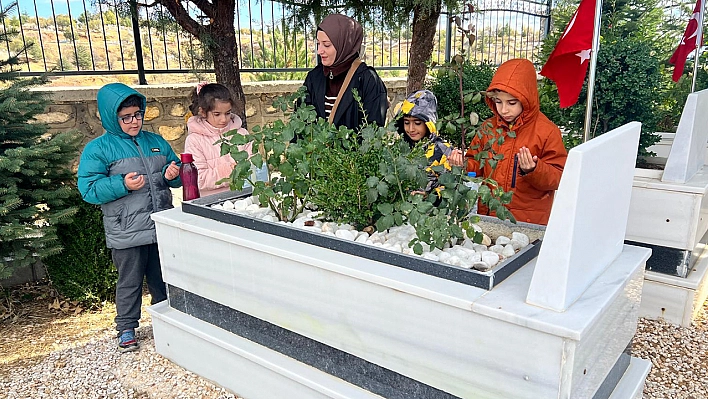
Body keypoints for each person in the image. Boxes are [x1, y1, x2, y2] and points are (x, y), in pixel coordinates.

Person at [77, 83, 182, 353]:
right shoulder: (98, 149)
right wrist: (122, 184)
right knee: (129, 281)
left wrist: (173, 175)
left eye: (138, 115)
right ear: (112, 117)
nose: (134, 121)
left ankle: (171, 322)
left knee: (164, 278)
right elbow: (88, 190)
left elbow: (176, 171)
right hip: (126, 232)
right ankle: (126, 328)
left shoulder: (156, 141)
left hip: (160, 226)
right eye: (126, 117)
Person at [464, 59, 567, 225]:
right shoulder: (488, 127)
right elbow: (476, 164)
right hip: (489, 217)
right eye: (498, 102)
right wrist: (462, 164)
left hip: (527, 224)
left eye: (511, 103)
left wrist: (533, 170)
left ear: (527, 99)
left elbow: (559, 177)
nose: (504, 110)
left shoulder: (546, 131)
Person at [303, 14, 389, 130]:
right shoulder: (314, 77)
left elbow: (372, 133)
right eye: (318, 43)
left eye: (326, 45)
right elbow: (300, 122)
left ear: (344, 45)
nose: (319, 51)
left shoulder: (367, 80)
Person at [185, 82, 265, 196]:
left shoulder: (242, 134)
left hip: (244, 198)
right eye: (217, 114)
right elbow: (198, 179)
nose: (223, 119)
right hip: (212, 203)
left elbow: (256, 167)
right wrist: (229, 171)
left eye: (227, 113)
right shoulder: (194, 140)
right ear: (202, 112)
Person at [398, 90, 464, 194]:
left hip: (431, 209)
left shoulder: (444, 150)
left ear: (429, 123)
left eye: (417, 123)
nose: (411, 129)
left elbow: (451, 187)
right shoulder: (400, 148)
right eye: (406, 122)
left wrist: (428, 196)